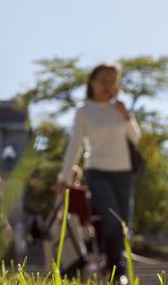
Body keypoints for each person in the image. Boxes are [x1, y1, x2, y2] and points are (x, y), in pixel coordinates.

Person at [57, 62, 141, 283]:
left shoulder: (119, 108)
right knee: (113, 217)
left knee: (124, 224)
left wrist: (127, 116)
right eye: (103, 80)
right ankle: (115, 267)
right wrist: (64, 179)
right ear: (92, 82)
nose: (108, 85)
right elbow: (75, 145)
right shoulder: (83, 110)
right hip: (97, 171)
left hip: (123, 172)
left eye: (112, 81)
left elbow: (135, 138)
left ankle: (115, 274)